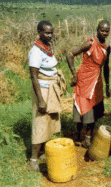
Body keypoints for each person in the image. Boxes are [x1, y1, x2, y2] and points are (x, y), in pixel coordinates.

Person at [66, 20, 111, 148]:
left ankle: (88, 138)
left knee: (94, 108)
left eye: (107, 31)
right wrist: (74, 75)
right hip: (84, 80)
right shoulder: (89, 44)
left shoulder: (107, 48)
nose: (104, 33)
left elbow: (106, 67)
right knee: (82, 106)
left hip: (97, 81)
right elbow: (69, 55)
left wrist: (108, 86)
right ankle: (77, 132)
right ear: (97, 30)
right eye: (102, 30)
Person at [28, 20, 66, 171]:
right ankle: (33, 160)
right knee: (40, 123)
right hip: (42, 91)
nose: (50, 35)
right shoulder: (36, 51)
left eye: (51, 32)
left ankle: (43, 153)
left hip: (51, 88)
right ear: (39, 32)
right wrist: (41, 100)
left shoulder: (47, 47)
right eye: (46, 32)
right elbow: (33, 77)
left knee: (49, 123)